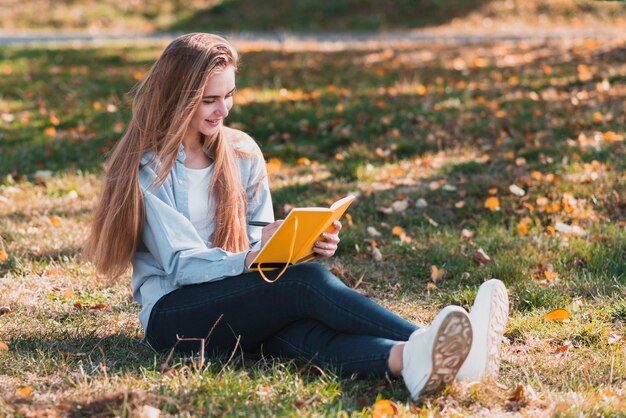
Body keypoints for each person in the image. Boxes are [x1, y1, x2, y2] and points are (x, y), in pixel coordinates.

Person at [84, 33, 509, 400]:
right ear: (178, 99)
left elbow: (260, 241)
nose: (223, 110)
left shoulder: (242, 153)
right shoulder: (148, 170)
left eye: (229, 95)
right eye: (209, 100)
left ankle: (409, 360)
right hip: (173, 318)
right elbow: (180, 265)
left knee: (296, 330)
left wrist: (301, 243)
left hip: (235, 295)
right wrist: (252, 260)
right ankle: (434, 340)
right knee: (303, 287)